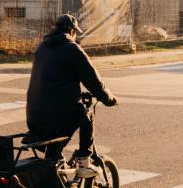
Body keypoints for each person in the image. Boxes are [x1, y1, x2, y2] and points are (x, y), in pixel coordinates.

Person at [25, 13, 117, 176]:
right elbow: (93, 81)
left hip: (33, 118)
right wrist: (109, 98)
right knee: (85, 114)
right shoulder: (72, 49)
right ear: (72, 31)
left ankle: (54, 175)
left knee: (54, 151)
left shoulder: (42, 47)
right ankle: (84, 162)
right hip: (56, 117)